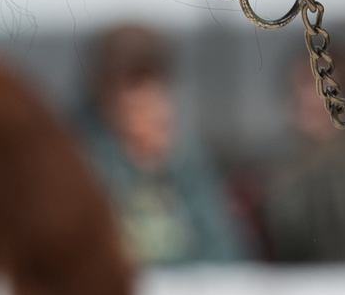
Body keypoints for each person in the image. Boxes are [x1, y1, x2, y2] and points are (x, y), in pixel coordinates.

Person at [77, 24, 246, 267]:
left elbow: (224, 249)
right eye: (132, 84)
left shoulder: (189, 159)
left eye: (152, 81)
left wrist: (169, 162)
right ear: (104, 94)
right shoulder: (85, 162)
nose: (145, 97)